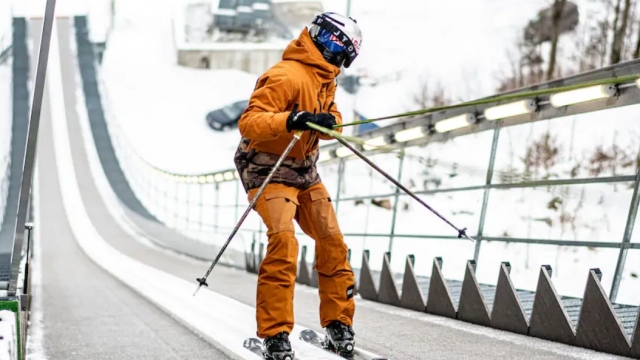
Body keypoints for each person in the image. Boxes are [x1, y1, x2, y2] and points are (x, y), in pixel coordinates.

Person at [233, 11, 363, 360]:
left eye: (338, 43)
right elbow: (249, 122)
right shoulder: (285, 74)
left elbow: (333, 113)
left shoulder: (326, 79)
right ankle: (275, 333)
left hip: (304, 171)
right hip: (268, 169)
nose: (329, 44)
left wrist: (328, 122)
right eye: (327, 36)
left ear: (344, 56)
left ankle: (338, 323)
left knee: (332, 241)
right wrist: (292, 119)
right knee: (284, 241)